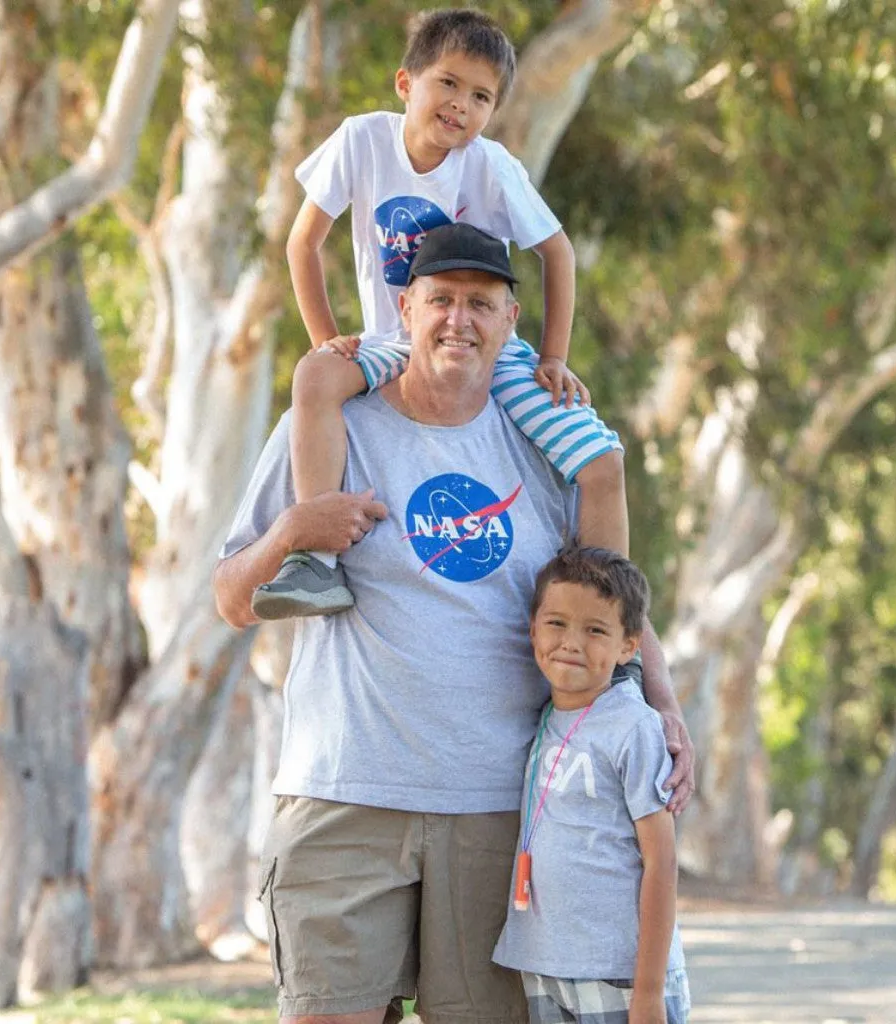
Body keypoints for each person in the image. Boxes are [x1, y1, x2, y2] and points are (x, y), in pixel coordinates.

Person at [213, 223, 694, 1024]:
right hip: (344, 793)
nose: (458, 321)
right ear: (405, 308)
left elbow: (613, 604)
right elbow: (231, 600)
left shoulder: (545, 447)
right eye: (440, 300)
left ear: (511, 323)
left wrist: (665, 705)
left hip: (501, 811)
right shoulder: (329, 427)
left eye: (482, 303)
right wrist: (296, 529)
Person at [252, 7, 629, 620]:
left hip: (487, 348)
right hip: (396, 337)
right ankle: (317, 564)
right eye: (448, 83)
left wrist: (554, 357)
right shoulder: (362, 139)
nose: (461, 104)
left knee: (602, 458)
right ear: (407, 84)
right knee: (314, 377)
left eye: (481, 95)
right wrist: (326, 339)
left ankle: (609, 620)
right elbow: (302, 243)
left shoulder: (491, 165)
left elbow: (557, 252)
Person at [493, 545, 690, 1024]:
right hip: (546, 967)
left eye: (596, 630)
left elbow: (661, 861)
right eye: (556, 623)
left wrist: (649, 992)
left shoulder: (633, 726)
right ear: (532, 628)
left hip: (620, 974)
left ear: (629, 645)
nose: (571, 643)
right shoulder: (545, 718)